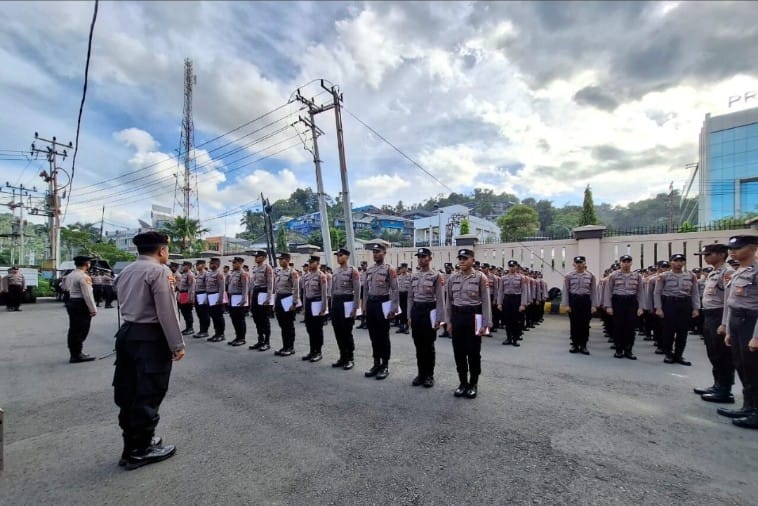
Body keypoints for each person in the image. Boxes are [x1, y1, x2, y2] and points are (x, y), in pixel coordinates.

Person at [113, 231, 185, 470]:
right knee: (149, 392)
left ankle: (132, 443)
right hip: (151, 338)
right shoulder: (160, 271)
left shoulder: (126, 270)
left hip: (128, 333)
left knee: (129, 390)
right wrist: (177, 344)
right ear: (162, 250)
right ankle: (140, 451)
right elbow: (167, 312)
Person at [721, 235, 758, 429]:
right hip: (736, 321)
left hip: (750, 322)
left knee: (753, 368)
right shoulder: (738, 272)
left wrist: (756, 336)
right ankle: (748, 406)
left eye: (738, 248)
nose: (732, 252)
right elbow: (731, 303)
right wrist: (728, 328)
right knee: (741, 365)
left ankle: (756, 411)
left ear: (752, 248)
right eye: (731, 248)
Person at [445, 248, 491, 399]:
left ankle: (473, 383)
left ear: (472, 259)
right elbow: (449, 301)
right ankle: (462, 382)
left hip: (474, 317)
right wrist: (449, 322)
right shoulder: (452, 278)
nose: (462, 261)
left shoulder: (480, 277)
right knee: (459, 352)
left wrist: (486, 323)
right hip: (458, 317)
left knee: (473, 353)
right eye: (460, 258)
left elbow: (485, 301)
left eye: (465, 258)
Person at [692, 244, 734, 403]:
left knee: (722, 354)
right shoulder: (714, 273)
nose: (705, 257)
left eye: (708, 254)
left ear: (721, 255)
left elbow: (729, 300)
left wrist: (724, 323)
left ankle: (725, 390)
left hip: (719, 315)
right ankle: (717, 385)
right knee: (713, 352)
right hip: (709, 315)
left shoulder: (727, 272)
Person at [654, 254, 700, 366]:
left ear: (684, 262)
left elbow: (694, 292)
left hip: (685, 304)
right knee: (668, 331)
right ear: (671, 262)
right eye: (676, 260)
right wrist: (658, 308)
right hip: (669, 303)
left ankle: (679, 355)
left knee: (682, 332)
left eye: (681, 260)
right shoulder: (664, 276)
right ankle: (668, 354)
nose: (679, 263)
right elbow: (657, 292)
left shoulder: (691, 275)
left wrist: (696, 308)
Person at [407, 247, 444, 388]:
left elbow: (440, 299)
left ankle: (429, 375)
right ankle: (420, 373)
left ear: (429, 258)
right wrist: (409, 315)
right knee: (418, 344)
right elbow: (410, 297)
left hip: (429, 310)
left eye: (424, 256)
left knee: (428, 345)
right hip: (417, 310)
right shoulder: (414, 276)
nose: (421, 259)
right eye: (419, 257)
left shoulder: (436, 276)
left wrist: (438, 318)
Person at [362, 243, 399, 380]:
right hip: (371, 304)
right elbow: (365, 290)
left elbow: (395, 289)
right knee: (373, 335)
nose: (375, 254)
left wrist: (393, 308)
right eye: (374, 252)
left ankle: (385, 365)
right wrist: (365, 307)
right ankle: (376, 363)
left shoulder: (390, 269)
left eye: (378, 251)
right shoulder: (369, 270)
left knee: (383, 336)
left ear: (384, 253)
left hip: (383, 303)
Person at [604, 255, 644, 360]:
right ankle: (618, 349)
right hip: (618, 301)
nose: (626, 263)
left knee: (630, 328)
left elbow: (640, 292)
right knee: (618, 326)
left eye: (628, 261)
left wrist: (640, 307)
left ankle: (628, 350)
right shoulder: (613, 275)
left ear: (631, 263)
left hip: (631, 301)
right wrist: (608, 306)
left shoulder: (637, 276)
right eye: (624, 261)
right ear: (620, 263)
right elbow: (608, 291)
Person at [330, 248, 360, 370]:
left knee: (346, 331)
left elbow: (357, 291)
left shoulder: (353, 271)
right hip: (336, 302)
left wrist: (355, 308)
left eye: (341, 255)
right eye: (337, 255)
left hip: (347, 301)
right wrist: (331, 305)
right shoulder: (335, 271)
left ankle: (350, 358)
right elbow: (332, 291)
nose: (338, 257)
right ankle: (342, 356)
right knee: (337, 331)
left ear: (347, 256)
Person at [561, 256, 597, 355]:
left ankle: (584, 345)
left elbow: (594, 292)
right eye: (577, 263)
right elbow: (565, 291)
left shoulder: (591, 276)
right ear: (574, 264)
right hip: (574, 300)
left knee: (585, 324)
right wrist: (566, 305)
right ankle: (575, 344)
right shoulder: (568, 276)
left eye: (581, 262)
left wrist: (594, 305)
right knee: (574, 323)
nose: (579, 264)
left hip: (585, 300)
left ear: (585, 263)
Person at [66, 256, 98, 363]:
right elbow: (87, 295)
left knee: (74, 329)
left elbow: (64, 287)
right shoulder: (83, 276)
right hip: (81, 304)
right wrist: (93, 309)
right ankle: (77, 355)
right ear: (87, 264)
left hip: (72, 301)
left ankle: (75, 352)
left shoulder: (70, 275)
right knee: (81, 329)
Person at [301, 255, 328, 362]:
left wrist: (324, 307)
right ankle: (312, 350)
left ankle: (318, 352)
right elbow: (304, 294)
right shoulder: (306, 276)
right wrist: (304, 307)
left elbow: (324, 293)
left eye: (312, 262)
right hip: (308, 303)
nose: (310, 264)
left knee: (317, 328)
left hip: (317, 303)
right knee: (309, 328)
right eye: (309, 262)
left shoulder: (321, 276)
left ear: (317, 263)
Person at [273, 252, 299, 356]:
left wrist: (294, 302)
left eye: (282, 259)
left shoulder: (293, 272)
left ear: (288, 260)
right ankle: (284, 346)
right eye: (279, 259)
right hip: (279, 299)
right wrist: (275, 303)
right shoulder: (279, 272)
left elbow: (296, 288)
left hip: (288, 299)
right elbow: (277, 289)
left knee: (288, 325)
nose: (280, 261)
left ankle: (290, 347)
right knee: (282, 324)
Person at [497, 260, 528, 346]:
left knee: (516, 320)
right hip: (507, 299)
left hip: (516, 299)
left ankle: (515, 339)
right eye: (510, 266)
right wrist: (499, 303)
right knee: (507, 320)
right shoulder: (503, 278)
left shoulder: (521, 277)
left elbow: (524, 291)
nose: (511, 267)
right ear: (508, 267)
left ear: (516, 267)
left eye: (513, 266)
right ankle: (508, 338)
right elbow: (500, 291)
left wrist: (522, 304)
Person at [248, 250, 274, 351]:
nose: (255, 258)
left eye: (258, 256)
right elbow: (252, 283)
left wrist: (268, 298)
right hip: (256, 292)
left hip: (263, 292)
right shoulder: (255, 268)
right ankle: (260, 340)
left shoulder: (267, 268)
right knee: (256, 317)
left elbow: (270, 283)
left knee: (264, 318)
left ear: (263, 257)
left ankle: (267, 342)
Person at [227, 257, 249, 346]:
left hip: (239, 298)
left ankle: (242, 338)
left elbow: (245, 288)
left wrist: (244, 300)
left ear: (240, 263)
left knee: (240, 319)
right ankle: (237, 337)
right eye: (233, 263)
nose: (233, 264)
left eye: (235, 263)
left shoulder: (243, 274)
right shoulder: (233, 273)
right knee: (234, 319)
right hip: (232, 297)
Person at [205, 257, 226, 342]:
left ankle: (221, 334)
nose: (211, 265)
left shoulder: (219, 274)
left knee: (218, 316)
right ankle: (217, 333)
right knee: (213, 316)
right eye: (210, 263)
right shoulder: (209, 274)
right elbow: (207, 287)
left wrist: (220, 299)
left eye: (213, 263)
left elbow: (222, 288)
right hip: (210, 297)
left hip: (216, 296)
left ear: (217, 264)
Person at [193, 260, 211, 339]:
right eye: (196, 265)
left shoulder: (206, 274)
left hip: (203, 295)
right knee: (199, 313)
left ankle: (205, 331)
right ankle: (201, 330)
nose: (197, 266)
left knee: (204, 314)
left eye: (198, 264)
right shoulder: (198, 274)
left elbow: (207, 286)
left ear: (203, 265)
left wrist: (206, 297)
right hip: (198, 295)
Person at [177, 261, 196, 335]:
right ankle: (187, 327)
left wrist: (190, 298)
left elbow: (191, 287)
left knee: (188, 312)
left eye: (184, 266)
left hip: (186, 294)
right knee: (184, 312)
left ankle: (190, 328)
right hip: (182, 294)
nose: (182, 267)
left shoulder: (190, 275)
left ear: (188, 266)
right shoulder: (183, 274)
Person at [395, 263, 411, 334]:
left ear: (406, 268)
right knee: (400, 311)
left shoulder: (410, 276)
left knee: (407, 311)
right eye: (402, 268)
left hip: (407, 295)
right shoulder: (399, 277)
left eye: (404, 267)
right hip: (400, 295)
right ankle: (401, 327)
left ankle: (407, 327)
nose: (403, 269)